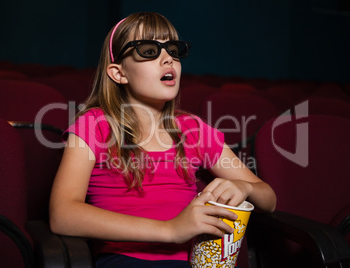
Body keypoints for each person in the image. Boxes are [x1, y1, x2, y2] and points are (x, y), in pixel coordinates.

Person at [49, 12, 276, 268]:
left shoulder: (193, 130)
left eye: (173, 49)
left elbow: (268, 199)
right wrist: (170, 230)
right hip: (126, 260)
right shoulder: (95, 125)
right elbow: (63, 215)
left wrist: (245, 188)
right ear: (118, 73)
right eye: (148, 50)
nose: (168, 57)